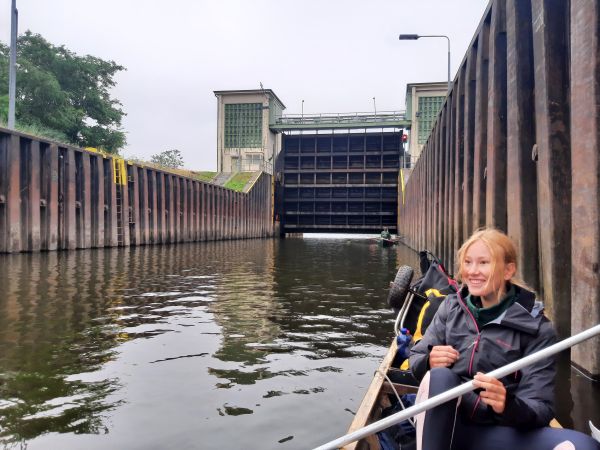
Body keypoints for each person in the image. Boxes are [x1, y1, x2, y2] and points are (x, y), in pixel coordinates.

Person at [408, 228, 599, 450]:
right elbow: (416, 358)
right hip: (445, 425)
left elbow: (540, 408)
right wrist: (428, 360)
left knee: (583, 446)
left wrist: (507, 405)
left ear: (508, 270)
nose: (472, 271)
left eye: (483, 263)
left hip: (499, 431)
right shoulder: (450, 308)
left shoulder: (538, 329)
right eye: (467, 262)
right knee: (440, 377)